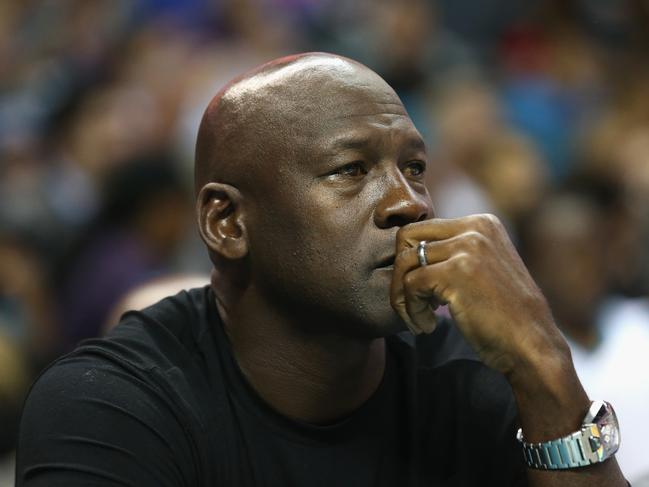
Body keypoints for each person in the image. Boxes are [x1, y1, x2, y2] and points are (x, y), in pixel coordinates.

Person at [15, 53, 628, 486]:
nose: (410, 203)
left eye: (413, 167)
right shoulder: (111, 406)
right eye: (351, 171)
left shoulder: (470, 383)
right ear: (228, 222)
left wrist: (544, 366)